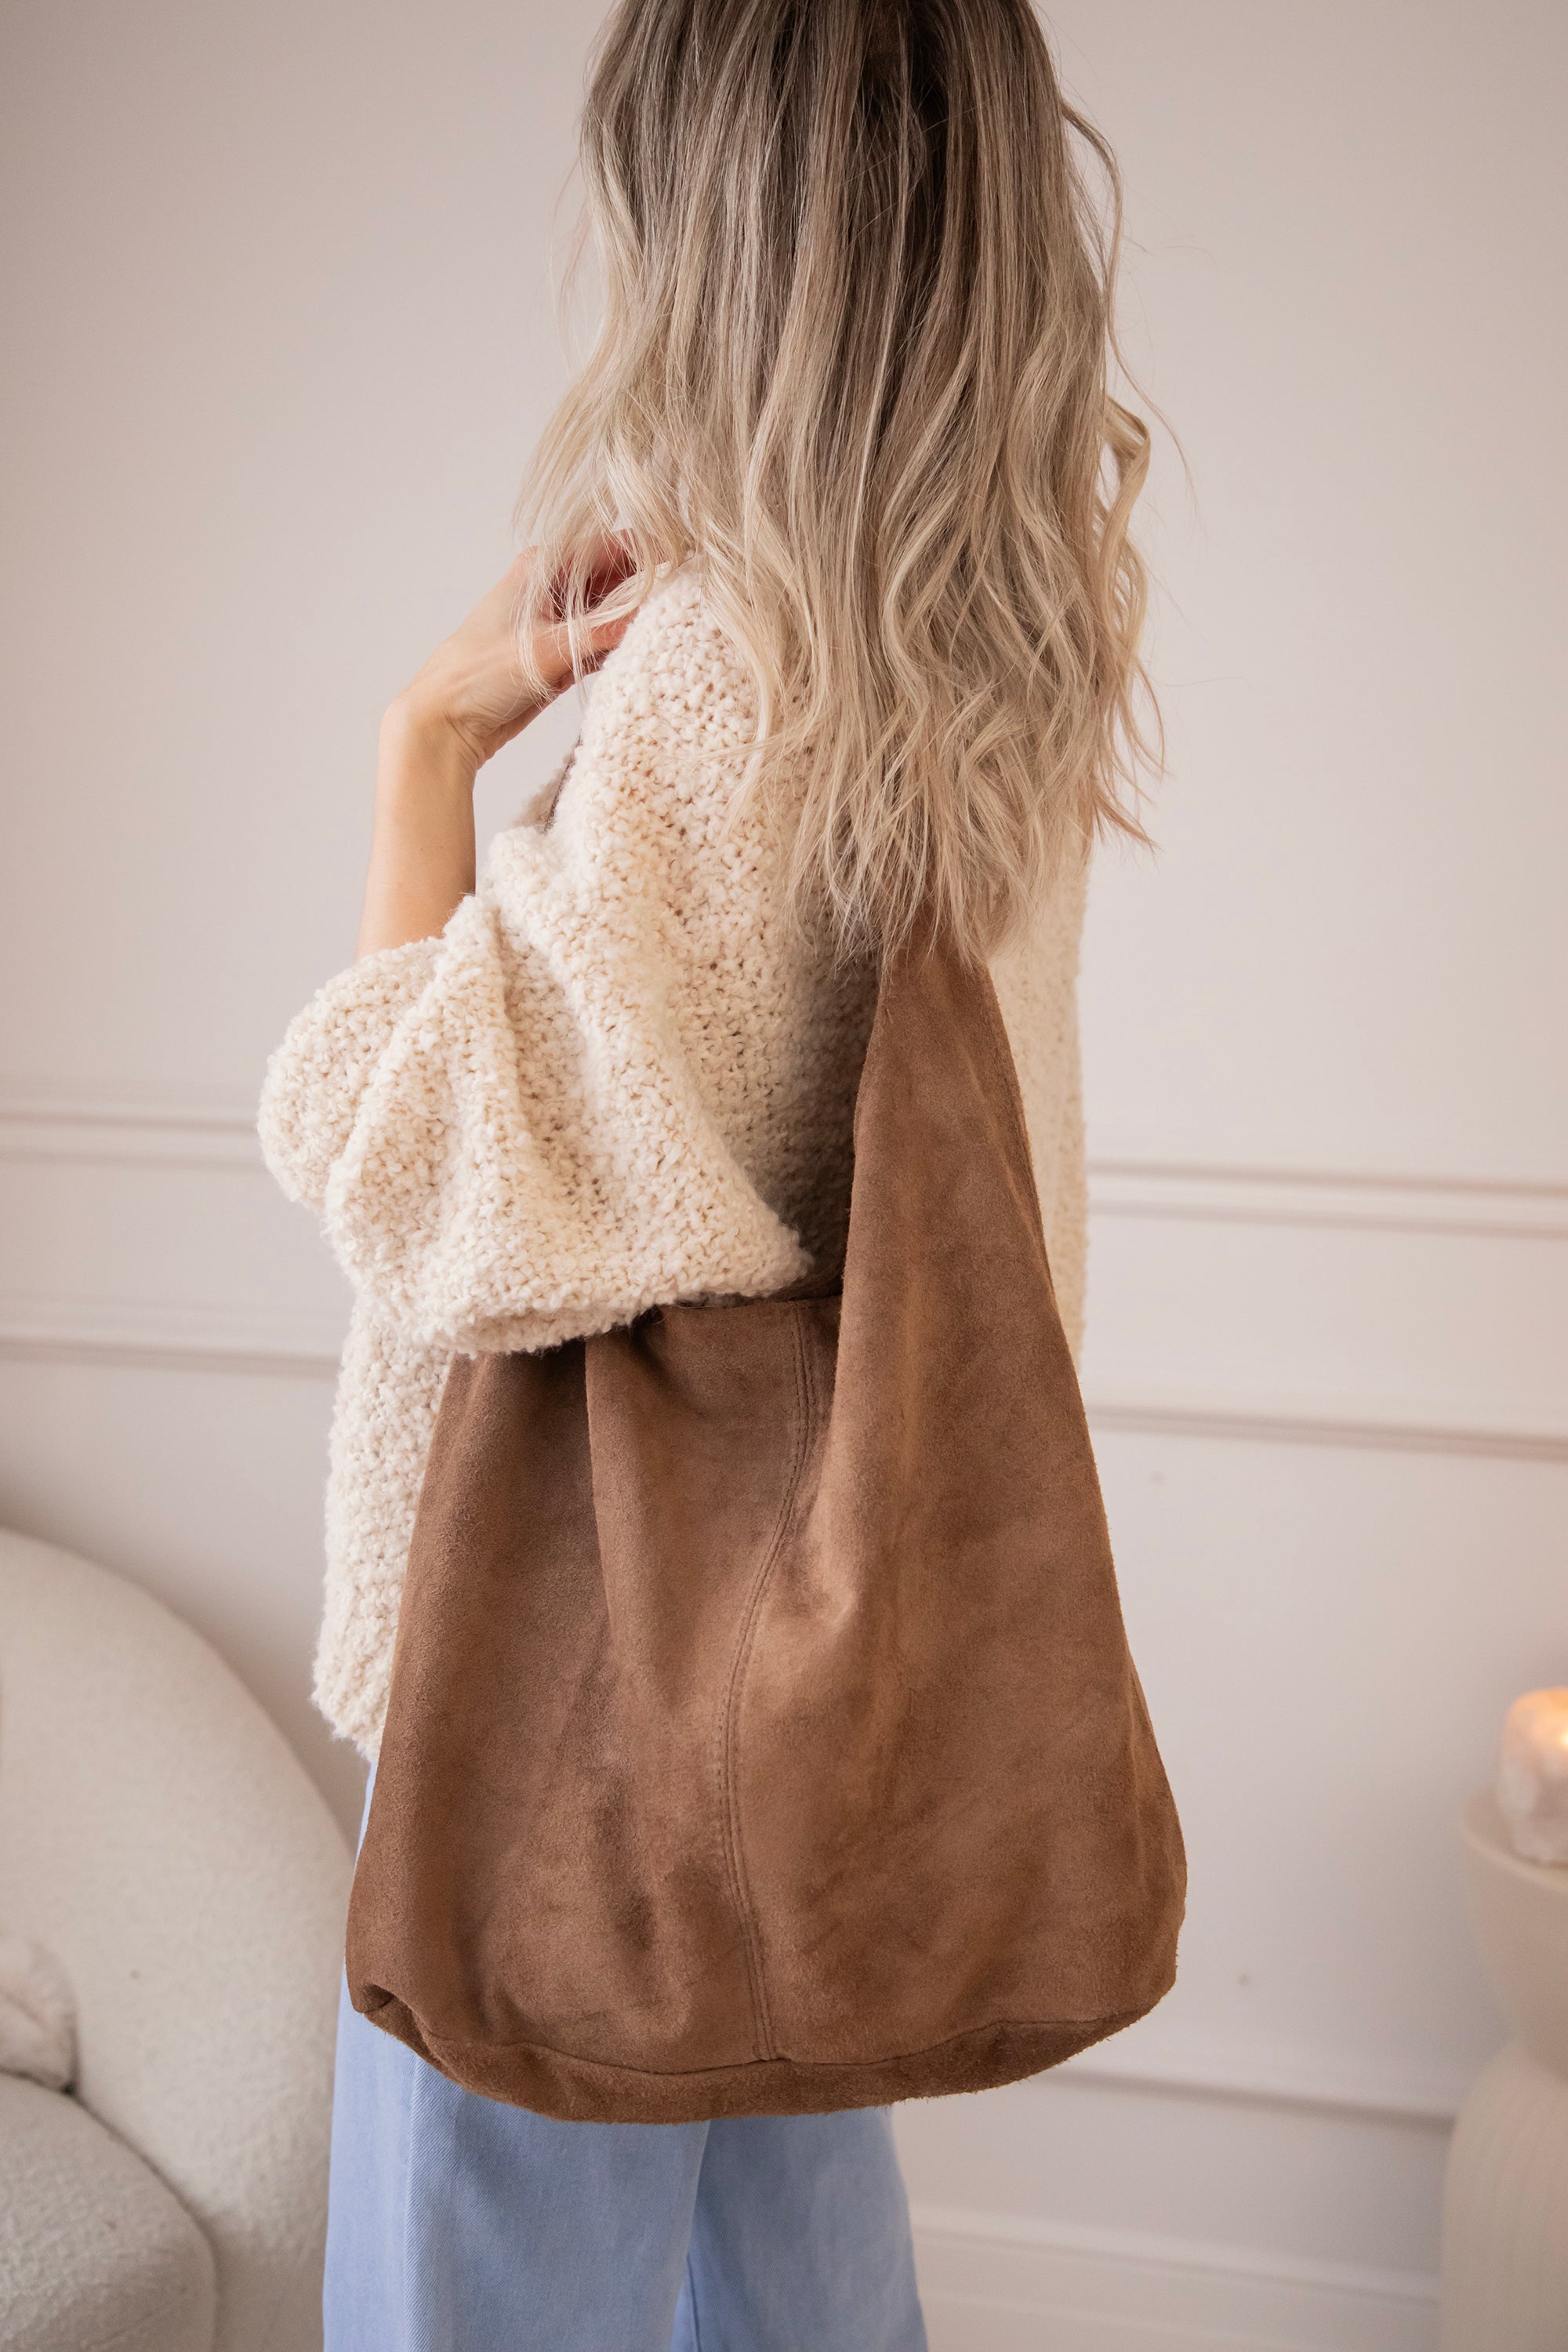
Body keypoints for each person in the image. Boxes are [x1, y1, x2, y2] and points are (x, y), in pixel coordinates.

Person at [259, 1, 1159, 2344]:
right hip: (805, 1675)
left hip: (569, 1693)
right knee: (795, 2304)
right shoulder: (1006, 649)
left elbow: (424, 1173)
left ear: (720, 222)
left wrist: (423, 747)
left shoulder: (722, 676)